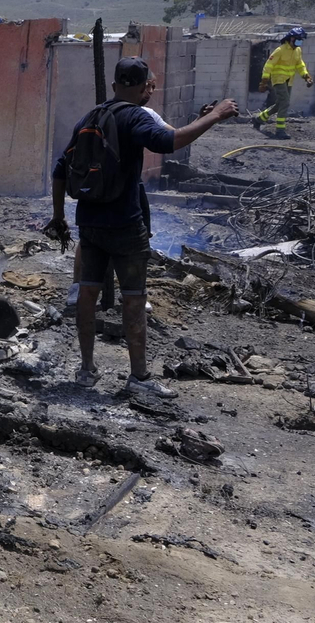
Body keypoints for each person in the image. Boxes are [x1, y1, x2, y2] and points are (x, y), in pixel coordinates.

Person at [44, 58, 239, 397]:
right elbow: (169, 142)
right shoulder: (134, 116)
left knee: (86, 295)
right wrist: (215, 116)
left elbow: (60, 168)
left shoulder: (90, 117)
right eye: (150, 85)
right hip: (125, 226)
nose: (152, 90)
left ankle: (87, 369)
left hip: (89, 223)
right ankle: (139, 378)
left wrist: (59, 216)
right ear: (138, 84)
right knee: (134, 301)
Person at [253, 27, 313, 140]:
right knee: (285, 102)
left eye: (301, 40)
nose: (299, 42)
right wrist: (264, 81)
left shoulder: (297, 51)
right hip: (278, 80)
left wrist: (306, 76)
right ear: (291, 38)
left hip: (289, 80)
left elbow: (300, 65)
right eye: (298, 39)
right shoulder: (280, 50)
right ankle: (280, 130)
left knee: (279, 105)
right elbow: (268, 65)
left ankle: (258, 119)